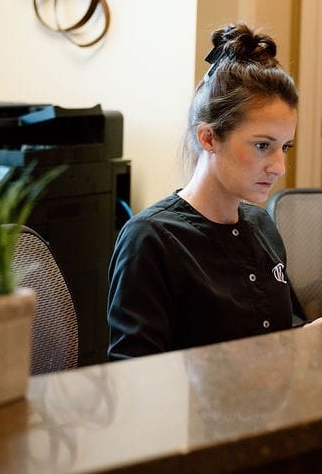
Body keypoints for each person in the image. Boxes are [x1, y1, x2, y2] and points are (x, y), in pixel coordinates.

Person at [107, 23, 304, 360]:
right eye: (262, 145)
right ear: (209, 138)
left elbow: (278, 335)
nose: (279, 167)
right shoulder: (151, 241)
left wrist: (305, 339)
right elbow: (134, 380)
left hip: (272, 409)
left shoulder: (262, 227)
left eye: (284, 147)